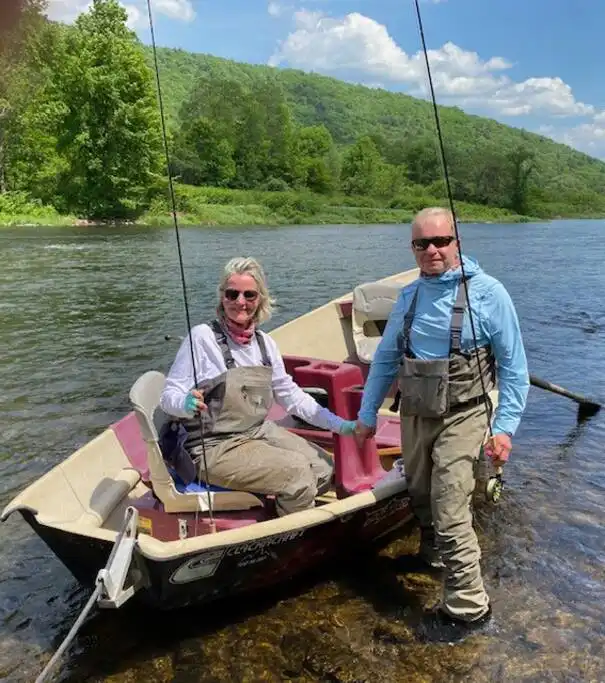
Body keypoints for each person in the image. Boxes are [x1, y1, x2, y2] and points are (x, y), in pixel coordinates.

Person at [354, 207, 529, 632]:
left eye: (440, 241)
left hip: (465, 414)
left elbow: (514, 368)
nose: (432, 250)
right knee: (419, 492)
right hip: (416, 410)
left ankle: (468, 605)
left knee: (450, 503)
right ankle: (433, 555)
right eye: (421, 243)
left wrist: (503, 428)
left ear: (457, 242)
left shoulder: (489, 294)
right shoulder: (409, 296)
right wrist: (366, 416)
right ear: (412, 248)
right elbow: (386, 358)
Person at [160, 256, 356, 517]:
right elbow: (168, 395)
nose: (240, 302)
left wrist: (339, 425)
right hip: (212, 446)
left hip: (256, 432)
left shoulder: (265, 343)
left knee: (323, 468)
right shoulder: (201, 338)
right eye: (232, 294)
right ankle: (292, 540)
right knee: (297, 473)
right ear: (222, 297)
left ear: (260, 299)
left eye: (249, 295)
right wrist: (184, 402)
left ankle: (281, 508)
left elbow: (291, 396)